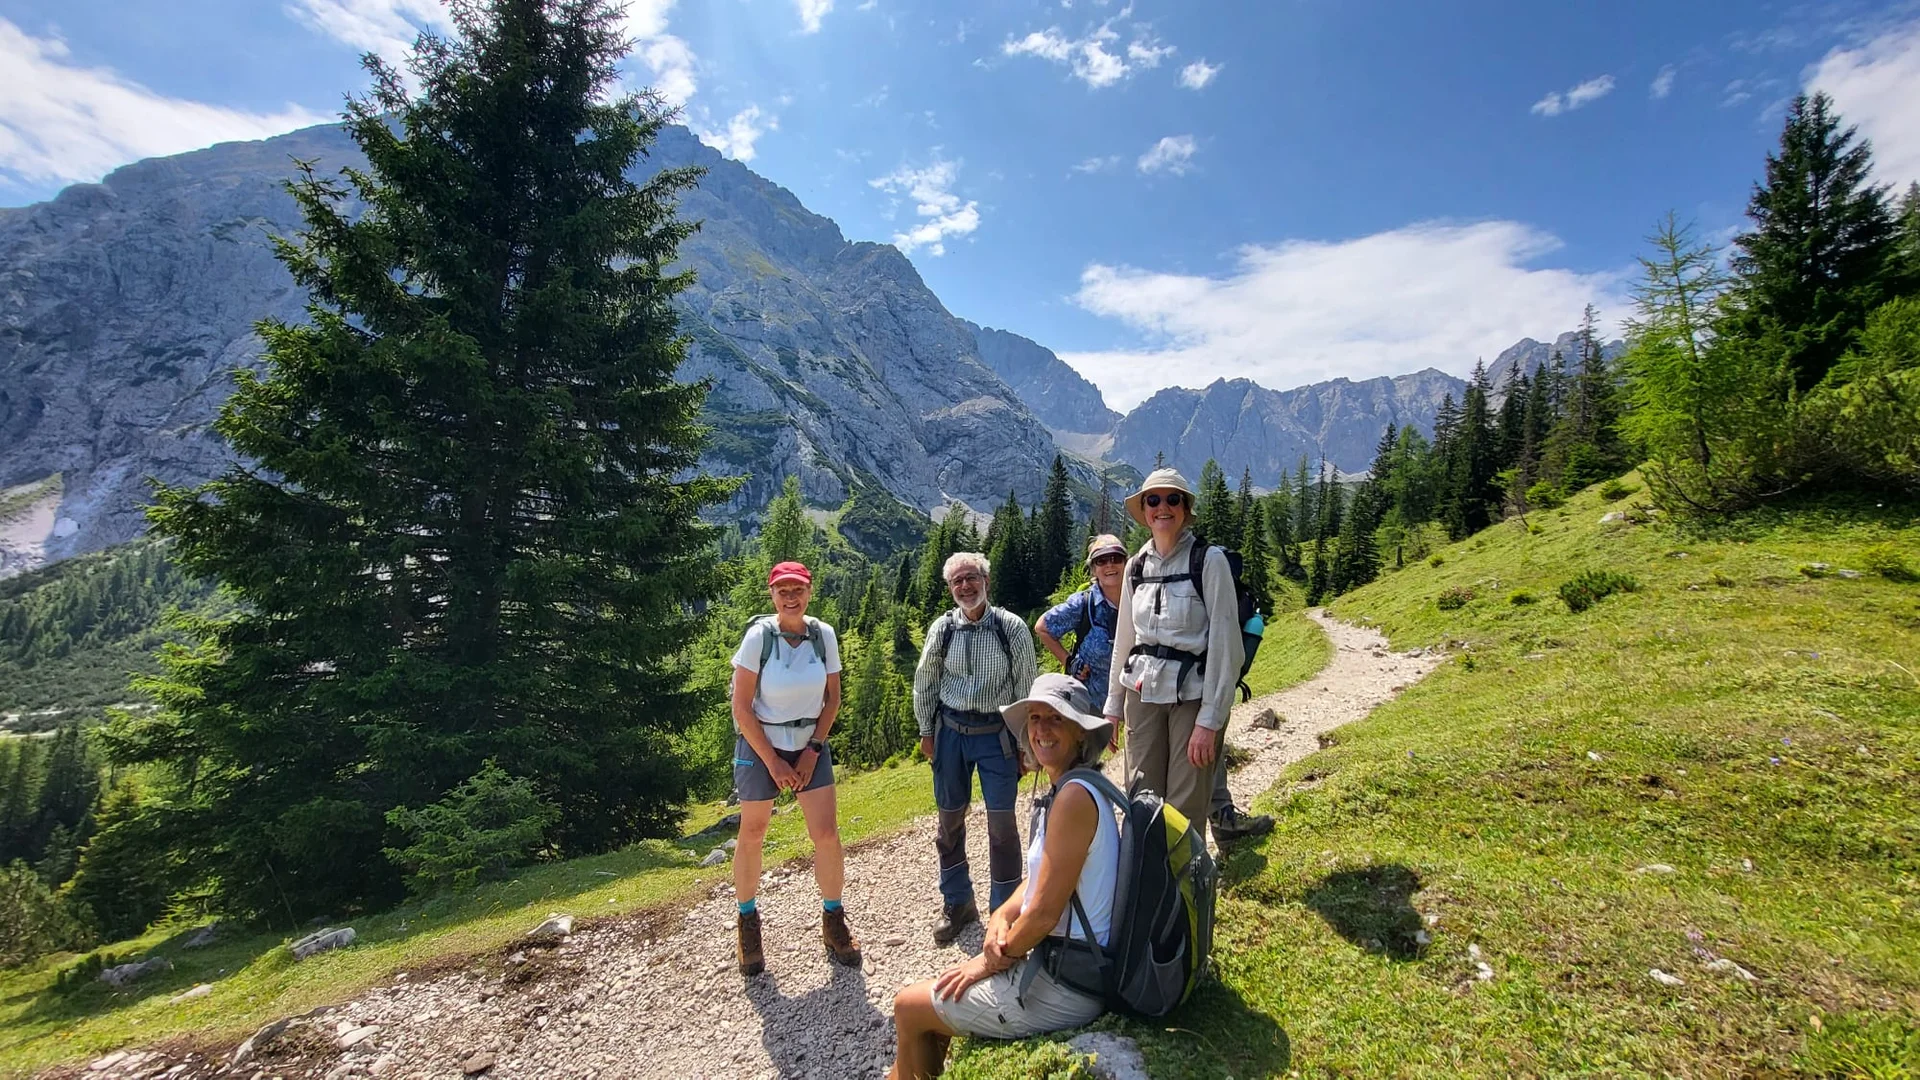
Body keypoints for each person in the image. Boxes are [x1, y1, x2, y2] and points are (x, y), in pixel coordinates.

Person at [888, 674, 1119, 1079]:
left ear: (1081, 734)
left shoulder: (1073, 800)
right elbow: (1036, 883)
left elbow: (1045, 914)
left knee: (907, 1007)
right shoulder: (1077, 787)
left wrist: (988, 962)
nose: (1041, 730)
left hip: (1068, 988)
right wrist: (1000, 918)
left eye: (1055, 719)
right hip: (1069, 969)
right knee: (927, 1007)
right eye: (1034, 718)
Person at [1040, 535, 1272, 843]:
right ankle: (1093, 842)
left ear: (1126, 560)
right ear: (1092, 569)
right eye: (1101, 560)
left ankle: (1219, 823)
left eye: (1115, 557)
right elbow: (1045, 627)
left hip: (1176, 686)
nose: (1109, 564)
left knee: (1195, 768)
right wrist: (1071, 663)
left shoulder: (1148, 583)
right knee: (1112, 776)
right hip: (1109, 699)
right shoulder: (1088, 603)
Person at [728, 561, 861, 976]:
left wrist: (811, 752)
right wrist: (773, 761)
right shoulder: (758, 638)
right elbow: (741, 708)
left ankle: (833, 920)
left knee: (826, 833)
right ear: (771, 595)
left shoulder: (823, 635)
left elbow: (832, 699)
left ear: (809, 592)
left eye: (797, 589)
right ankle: (747, 924)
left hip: (808, 746)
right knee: (752, 833)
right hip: (759, 744)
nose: (790, 596)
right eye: (782, 590)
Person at [1104, 468, 1245, 842]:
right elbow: (1125, 639)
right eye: (1153, 500)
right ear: (1144, 510)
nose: (1162, 507)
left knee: (1184, 807)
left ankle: (1184, 896)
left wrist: (1209, 721)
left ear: (1185, 509)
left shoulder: (1208, 561)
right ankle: (1147, 892)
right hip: (1142, 694)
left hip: (1191, 699)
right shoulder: (1136, 566)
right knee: (1140, 799)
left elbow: (1226, 645)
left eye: (1172, 499)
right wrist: (1112, 707)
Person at [913, 551, 1038, 945]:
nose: (965, 587)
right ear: (950, 588)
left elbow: (1026, 689)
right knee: (949, 821)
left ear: (986, 581)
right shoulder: (942, 629)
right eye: (957, 582)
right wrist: (925, 730)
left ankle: (1005, 908)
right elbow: (926, 681)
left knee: (1002, 826)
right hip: (949, 732)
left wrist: (1026, 743)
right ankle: (958, 902)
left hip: (996, 734)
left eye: (971, 578)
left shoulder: (1011, 628)